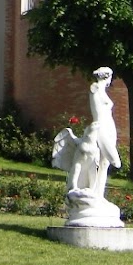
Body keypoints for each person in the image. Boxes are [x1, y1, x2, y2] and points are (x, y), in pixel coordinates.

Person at [52, 67, 121, 197]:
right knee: (100, 160)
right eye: (110, 77)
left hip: (109, 126)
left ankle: (99, 194)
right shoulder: (95, 89)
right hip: (101, 126)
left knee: (104, 163)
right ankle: (93, 191)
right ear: (107, 77)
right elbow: (98, 114)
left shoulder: (103, 91)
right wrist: (100, 132)